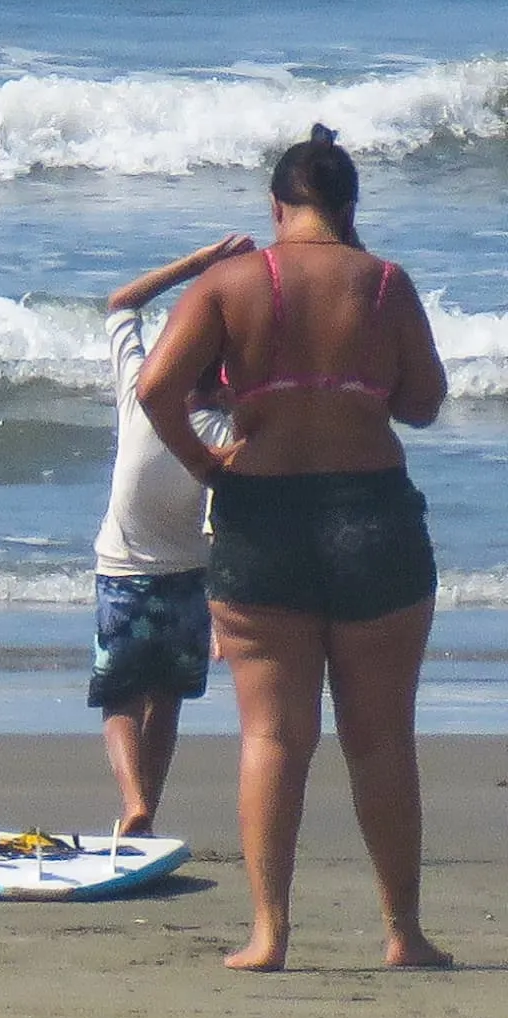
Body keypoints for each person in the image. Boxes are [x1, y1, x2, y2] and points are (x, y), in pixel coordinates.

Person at [135, 128, 449, 973]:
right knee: (382, 738)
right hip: (372, 516)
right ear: (349, 207)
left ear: (276, 207)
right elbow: (423, 402)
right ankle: (403, 933)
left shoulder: (230, 283)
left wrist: (206, 462)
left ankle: (269, 934)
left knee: (274, 737)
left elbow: (155, 387)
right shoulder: (384, 282)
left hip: (262, 517)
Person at [88, 232, 249, 834]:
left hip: (123, 571)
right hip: (189, 582)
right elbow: (224, 518)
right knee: (167, 701)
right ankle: (145, 814)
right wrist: (224, 608)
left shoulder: (140, 390)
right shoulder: (228, 427)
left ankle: (134, 802)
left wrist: (198, 264)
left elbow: (121, 302)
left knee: (119, 698)